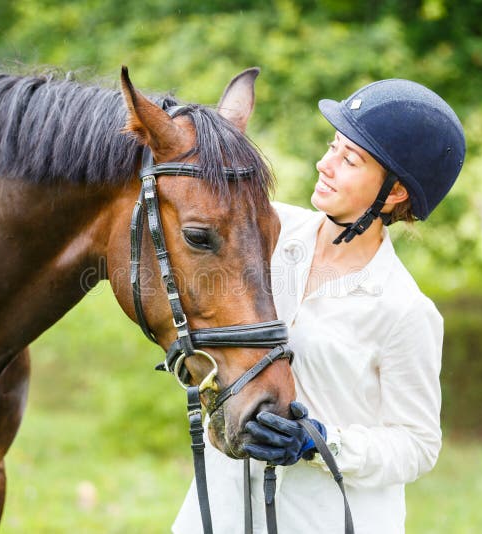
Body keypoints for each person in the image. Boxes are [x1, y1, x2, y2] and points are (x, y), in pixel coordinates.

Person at [173, 78, 466, 533]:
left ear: (393, 193)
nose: (324, 165)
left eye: (349, 159)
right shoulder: (263, 233)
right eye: (333, 147)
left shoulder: (405, 310)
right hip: (221, 510)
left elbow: (418, 444)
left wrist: (320, 442)